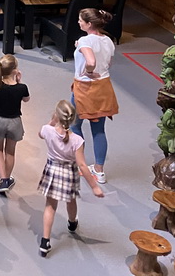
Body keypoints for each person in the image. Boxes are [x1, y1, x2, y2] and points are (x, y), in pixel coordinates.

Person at [38, 100, 105, 257]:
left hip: (52, 170)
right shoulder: (77, 140)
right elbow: (82, 165)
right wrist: (95, 186)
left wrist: (52, 121)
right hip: (68, 172)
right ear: (73, 119)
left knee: (50, 206)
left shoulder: (47, 130)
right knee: (71, 200)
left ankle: (45, 241)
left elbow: (41, 134)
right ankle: (72, 222)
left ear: (57, 115)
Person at [70, 7, 119, 183]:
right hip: (103, 88)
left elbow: (91, 61)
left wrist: (88, 70)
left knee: (75, 126)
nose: (78, 22)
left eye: (81, 20)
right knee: (99, 130)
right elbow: (108, 63)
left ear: (89, 24)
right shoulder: (108, 41)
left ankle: (81, 164)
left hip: (85, 89)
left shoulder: (85, 41)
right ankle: (99, 170)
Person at [0, 54, 30, 195]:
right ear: (15, 70)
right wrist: (19, 81)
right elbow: (26, 99)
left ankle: (2, 179)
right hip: (15, 122)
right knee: (10, 152)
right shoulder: (22, 88)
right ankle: (7, 179)